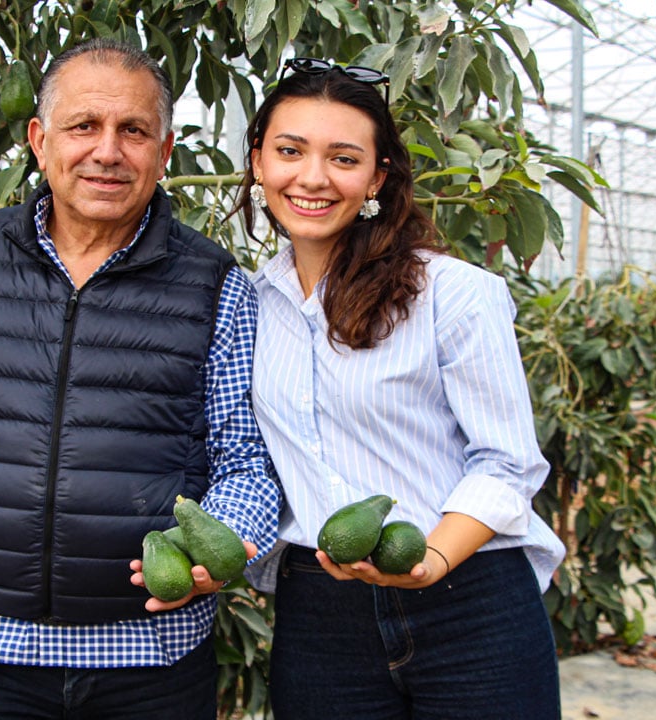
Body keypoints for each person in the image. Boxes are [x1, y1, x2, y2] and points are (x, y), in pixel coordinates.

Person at [0, 39, 281, 719]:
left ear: (164, 151)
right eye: (83, 126)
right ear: (40, 141)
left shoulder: (216, 287)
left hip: (149, 660)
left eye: (133, 131)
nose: (107, 151)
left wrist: (225, 544)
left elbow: (248, 461)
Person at [236, 58, 567, 719]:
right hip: (321, 610)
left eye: (344, 158)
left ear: (377, 177)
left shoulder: (454, 294)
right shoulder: (245, 303)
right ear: (257, 162)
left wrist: (433, 559)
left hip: (467, 598)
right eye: (290, 151)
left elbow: (507, 461)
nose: (312, 177)